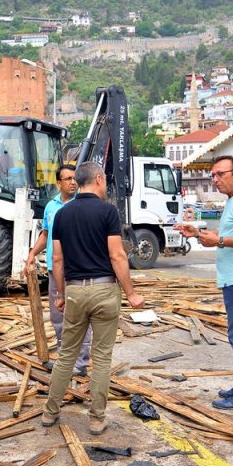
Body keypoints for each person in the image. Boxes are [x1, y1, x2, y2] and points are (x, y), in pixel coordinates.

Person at [41, 162, 145, 435]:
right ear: (99, 179)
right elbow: (117, 255)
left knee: (66, 356)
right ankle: (97, 419)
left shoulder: (62, 214)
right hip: (104, 290)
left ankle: (50, 412)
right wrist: (131, 293)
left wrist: (61, 295)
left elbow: (57, 259)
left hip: (75, 291)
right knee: (100, 357)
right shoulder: (108, 212)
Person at [174, 155, 233, 410]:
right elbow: (229, 236)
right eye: (213, 175)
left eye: (220, 174)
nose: (215, 180)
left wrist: (220, 241)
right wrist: (201, 234)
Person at [24, 165, 92, 377]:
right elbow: (46, 234)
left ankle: (80, 364)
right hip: (56, 270)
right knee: (58, 316)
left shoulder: (82, 204)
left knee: (80, 317)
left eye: (75, 179)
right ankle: (66, 360)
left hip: (77, 268)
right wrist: (32, 253)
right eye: (68, 179)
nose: (72, 182)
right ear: (59, 183)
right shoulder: (51, 207)